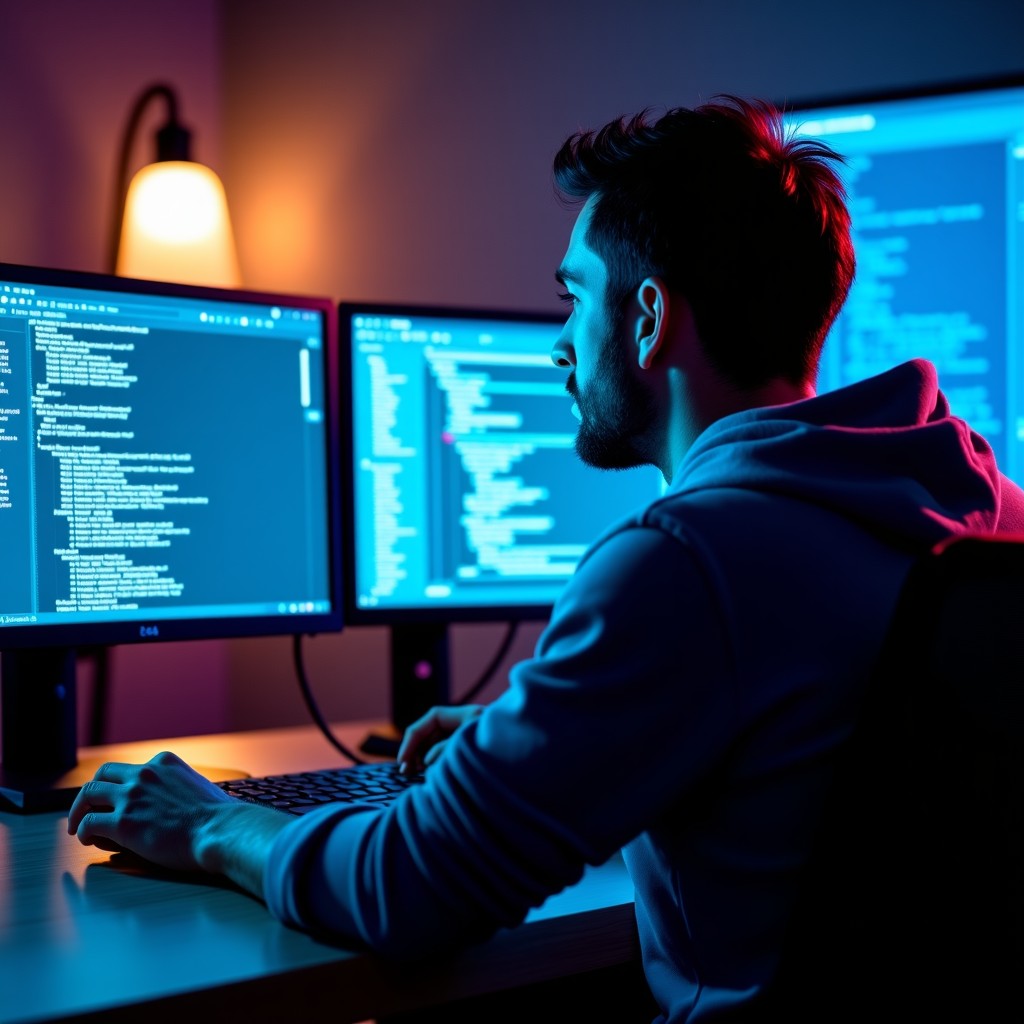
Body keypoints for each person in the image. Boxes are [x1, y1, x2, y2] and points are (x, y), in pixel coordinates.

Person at [67, 96, 1024, 1022]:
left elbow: (411, 890)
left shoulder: (686, 562)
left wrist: (214, 823)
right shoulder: (982, 505)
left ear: (647, 318)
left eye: (574, 297)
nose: (560, 346)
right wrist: (544, 739)